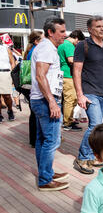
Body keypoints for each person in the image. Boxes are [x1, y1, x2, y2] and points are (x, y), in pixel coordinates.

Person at [72, 16, 103, 175]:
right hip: (90, 92)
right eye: (98, 26)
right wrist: (80, 94)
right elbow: (76, 71)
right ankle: (82, 157)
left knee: (101, 127)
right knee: (95, 126)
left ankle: (91, 155)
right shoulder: (83, 46)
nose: (102, 28)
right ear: (90, 29)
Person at [30, 17, 69, 191]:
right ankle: (45, 179)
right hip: (45, 101)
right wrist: (52, 103)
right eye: (61, 31)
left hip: (41, 100)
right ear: (50, 32)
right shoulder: (46, 48)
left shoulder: (47, 47)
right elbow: (40, 76)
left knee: (42, 139)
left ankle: (46, 172)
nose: (65, 34)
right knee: (52, 141)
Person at [58, 30, 85, 132]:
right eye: (78, 42)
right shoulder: (69, 45)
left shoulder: (63, 43)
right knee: (70, 99)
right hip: (68, 75)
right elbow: (71, 60)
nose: (78, 44)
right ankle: (67, 122)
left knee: (69, 99)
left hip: (65, 75)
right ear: (77, 38)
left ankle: (68, 120)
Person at [23, 30, 44, 147]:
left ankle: (34, 140)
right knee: (36, 115)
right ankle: (36, 140)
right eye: (43, 39)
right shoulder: (35, 52)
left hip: (31, 86)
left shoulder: (30, 51)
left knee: (33, 114)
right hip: (35, 87)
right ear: (36, 41)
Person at [0, 38, 17, 123]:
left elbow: (12, 62)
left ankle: (10, 110)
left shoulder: (6, 48)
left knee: (7, 96)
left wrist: (13, 75)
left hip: (5, 73)